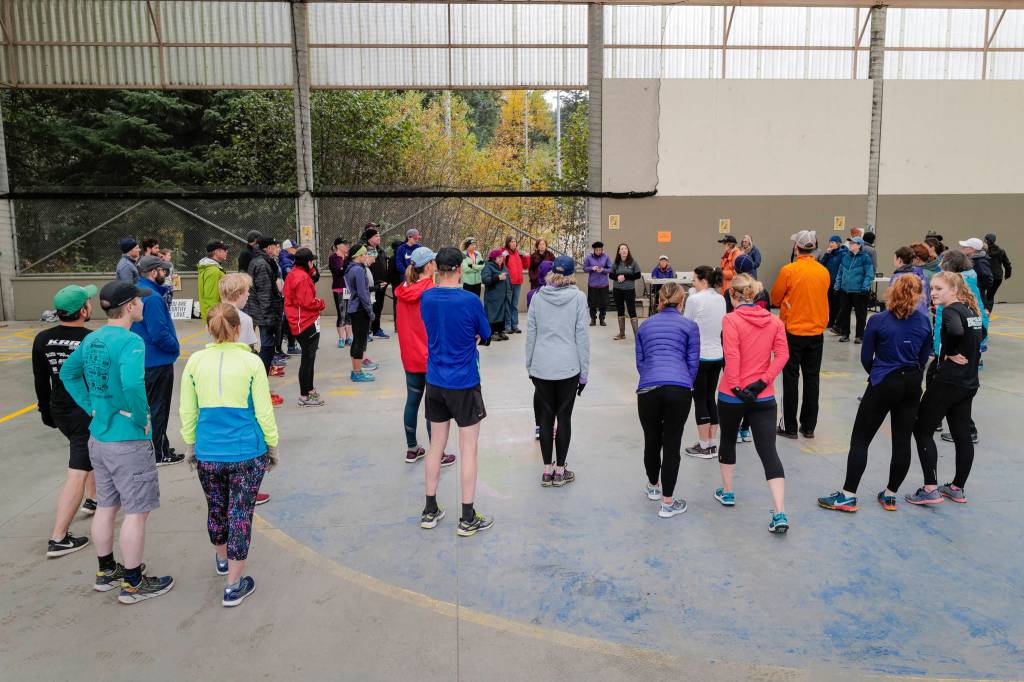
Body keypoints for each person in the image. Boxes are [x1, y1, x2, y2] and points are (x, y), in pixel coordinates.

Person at [60, 280, 174, 604]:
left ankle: (106, 571)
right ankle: (134, 582)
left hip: (100, 437)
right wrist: (141, 419)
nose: (142, 305)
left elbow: (69, 373)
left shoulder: (93, 338)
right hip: (127, 441)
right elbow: (134, 385)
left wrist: (92, 406)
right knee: (137, 512)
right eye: (139, 301)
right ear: (128, 307)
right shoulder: (131, 342)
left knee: (107, 506)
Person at [179, 303, 278, 607]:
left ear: (209, 329)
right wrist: (272, 444)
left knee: (216, 507)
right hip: (246, 451)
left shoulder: (195, 362)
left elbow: (188, 409)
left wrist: (190, 443)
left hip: (209, 451)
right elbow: (263, 410)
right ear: (238, 329)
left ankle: (222, 559)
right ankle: (234, 584)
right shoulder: (251, 362)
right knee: (240, 513)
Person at [817, 276, 932, 513]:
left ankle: (848, 496)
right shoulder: (923, 321)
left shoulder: (879, 320)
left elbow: (865, 357)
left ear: (892, 292)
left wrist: (879, 374)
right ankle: (890, 495)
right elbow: (923, 358)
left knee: (861, 438)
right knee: (902, 440)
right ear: (919, 295)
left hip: (884, 380)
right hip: (911, 382)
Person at [418, 247, 493, 536]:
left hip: (435, 381)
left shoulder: (427, 297)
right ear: (460, 269)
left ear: (437, 268)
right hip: (463, 382)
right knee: (468, 449)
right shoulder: (470, 300)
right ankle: (467, 516)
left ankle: (429, 509)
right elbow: (485, 334)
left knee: (436, 445)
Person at [714, 274, 790, 534]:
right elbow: (782, 355)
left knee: (727, 439)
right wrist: (762, 382)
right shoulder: (775, 321)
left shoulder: (731, 320)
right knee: (768, 451)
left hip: (732, 395)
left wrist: (736, 386)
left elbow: (732, 354)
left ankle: (728, 491)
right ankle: (779, 511)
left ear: (733, 296)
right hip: (764, 396)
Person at [905, 272, 985, 506]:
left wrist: (949, 351)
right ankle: (957, 487)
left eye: (939, 288)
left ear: (954, 290)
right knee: (962, 434)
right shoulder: (971, 311)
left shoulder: (950, 311)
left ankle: (930, 488)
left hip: (948, 382)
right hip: (968, 382)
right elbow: (982, 335)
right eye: (932, 288)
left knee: (922, 430)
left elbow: (956, 332)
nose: (934, 293)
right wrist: (969, 352)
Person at [33, 284, 99, 558]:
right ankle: (58, 537)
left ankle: (94, 499)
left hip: (59, 408)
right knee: (78, 468)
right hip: (83, 410)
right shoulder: (91, 339)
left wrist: (46, 412)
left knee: (87, 452)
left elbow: (41, 379)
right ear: (83, 310)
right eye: (88, 301)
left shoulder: (42, 339)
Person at [635, 283, 699, 519]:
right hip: (679, 388)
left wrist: (651, 377)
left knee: (651, 440)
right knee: (672, 444)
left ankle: (653, 486)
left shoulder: (645, 326)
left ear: (659, 300)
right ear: (682, 302)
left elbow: (640, 362)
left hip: (648, 388)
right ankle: (668, 503)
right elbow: (693, 363)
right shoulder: (690, 326)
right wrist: (684, 382)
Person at [526, 255, 590, 488]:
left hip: (542, 366)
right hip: (568, 366)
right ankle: (561, 470)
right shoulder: (578, 298)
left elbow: (531, 333)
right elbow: (581, 336)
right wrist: (584, 373)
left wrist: (530, 365)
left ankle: (546, 471)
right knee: (564, 417)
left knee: (545, 417)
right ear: (572, 275)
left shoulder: (538, 297)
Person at [396, 247, 457, 468]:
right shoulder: (432, 290)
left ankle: (412, 448)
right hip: (431, 355)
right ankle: (437, 453)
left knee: (412, 400)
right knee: (434, 407)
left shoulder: (403, 289)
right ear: (429, 265)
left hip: (410, 354)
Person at [771, 230, 830, 439]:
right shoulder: (823, 271)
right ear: (814, 248)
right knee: (812, 379)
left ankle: (790, 427)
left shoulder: (789, 270)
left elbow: (776, 298)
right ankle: (809, 426)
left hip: (793, 331)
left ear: (797, 248)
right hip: (816, 332)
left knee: (790, 378)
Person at [131, 254, 183, 466]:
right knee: (159, 407)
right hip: (156, 360)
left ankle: (159, 446)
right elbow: (158, 332)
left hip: (143, 359)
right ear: (154, 272)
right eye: (163, 271)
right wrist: (174, 347)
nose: (165, 274)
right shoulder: (151, 297)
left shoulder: (137, 292)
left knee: (151, 407)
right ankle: (159, 453)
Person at [935, 250, 988, 445]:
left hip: (955, 349)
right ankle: (941, 422)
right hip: (964, 346)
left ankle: (963, 429)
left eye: (942, 262)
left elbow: (955, 327)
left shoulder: (955, 288)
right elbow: (980, 321)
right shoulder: (967, 284)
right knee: (958, 388)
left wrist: (950, 351)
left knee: (949, 386)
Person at [682, 266, 727, 459]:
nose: (692, 283)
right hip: (717, 355)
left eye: (694, 280)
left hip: (699, 356)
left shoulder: (694, 299)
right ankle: (711, 443)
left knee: (699, 399)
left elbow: (686, 325)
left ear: (702, 280)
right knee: (710, 397)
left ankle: (704, 445)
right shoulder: (721, 298)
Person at [283, 248, 326, 407]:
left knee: (309, 358)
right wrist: (321, 303)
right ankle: (304, 395)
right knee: (308, 360)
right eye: (312, 261)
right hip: (305, 322)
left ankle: (309, 389)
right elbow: (307, 302)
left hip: (301, 321)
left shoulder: (294, 273)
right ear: (308, 262)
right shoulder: (301, 277)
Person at [245, 237, 285, 385]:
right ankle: (260, 385)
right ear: (268, 248)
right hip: (264, 313)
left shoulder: (263, 261)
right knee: (267, 348)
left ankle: (261, 384)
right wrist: (269, 318)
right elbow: (264, 292)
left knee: (268, 347)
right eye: (275, 246)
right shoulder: (262, 264)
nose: (278, 249)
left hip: (264, 311)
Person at [345, 243, 379, 382]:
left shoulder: (351, 268)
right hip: (360, 309)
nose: (367, 256)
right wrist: (369, 311)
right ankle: (357, 372)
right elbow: (363, 293)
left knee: (357, 341)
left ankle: (356, 368)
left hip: (355, 308)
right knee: (360, 341)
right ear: (358, 256)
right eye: (365, 254)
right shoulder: (358, 270)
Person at [835, 236, 875, 343]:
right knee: (844, 313)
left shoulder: (865, 258)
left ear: (859, 245)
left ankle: (859, 336)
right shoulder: (845, 257)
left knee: (860, 315)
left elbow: (869, 274)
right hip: (845, 291)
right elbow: (840, 272)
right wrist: (837, 286)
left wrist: (865, 287)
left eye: (853, 243)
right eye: (850, 243)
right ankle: (845, 334)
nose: (850, 245)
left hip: (859, 291)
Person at [362, 224, 391, 339]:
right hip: (370, 285)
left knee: (378, 307)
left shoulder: (380, 250)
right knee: (369, 308)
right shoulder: (364, 249)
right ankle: (367, 331)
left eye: (379, 234)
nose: (379, 237)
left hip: (381, 284)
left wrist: (387, 280)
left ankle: (376, 329)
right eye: (376, 235)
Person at [610, 243, 642, 340]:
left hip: (629, 290)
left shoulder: (633, 262)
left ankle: (637, 336)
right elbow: (611, 275)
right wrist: (617, 277)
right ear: (619, 252)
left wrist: (625, 276)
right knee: (620, 310)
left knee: (632, 311)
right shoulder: (616, 263)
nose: (624, 250)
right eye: (622, 249)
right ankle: (622, 334)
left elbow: (638, 275)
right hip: (617, 290)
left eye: (625, 249)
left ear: (628, 251)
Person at [889, 246, 930, 318]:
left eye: (894, 258)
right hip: (922, 315)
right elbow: (927, 299)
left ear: (899, 260)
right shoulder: (923, 276)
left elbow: (891, 299)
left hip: (902, 315)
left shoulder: (896, 278)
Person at [482, 249, 512, 341]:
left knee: (501, 313)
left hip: (502, 296)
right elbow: (485, 279)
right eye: (498, 258)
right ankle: (492, 333)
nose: (500, 259)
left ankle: (500, 331)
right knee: (493, 314)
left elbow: (508, 278)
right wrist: (497, 277)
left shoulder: (503, 266)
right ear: (493, 259)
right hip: (492, 296)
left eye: (501, 257)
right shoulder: (488, 267)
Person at [819, 235, 847, 332]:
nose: (830, 244)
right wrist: (827, 254)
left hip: (837, 283)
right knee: (829, 304)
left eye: (833, 242)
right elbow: (821, 265)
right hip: (828, 282)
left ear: (838, 244)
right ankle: (830, 321)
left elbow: (842, 269)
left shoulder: (843, 254)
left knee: (837, 304)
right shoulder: (829, 254)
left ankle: (836, 323)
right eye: (830, 242)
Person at [959, 237, 994, 312]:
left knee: (978, 317)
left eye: (965, 247)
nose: (962, 248)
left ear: (973, 249)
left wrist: (976, 287)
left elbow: (989, 280)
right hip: (972, 296)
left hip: (977, 297)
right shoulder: (971, 260)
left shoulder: (980, 262)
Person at [329, 238, 352, 348]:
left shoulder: (348, 257)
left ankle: (349, 337)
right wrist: (345, 266)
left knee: (348, 313)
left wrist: (345, 266)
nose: (347, 246)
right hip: (339, 288)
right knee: (341, 313)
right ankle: (341, 338)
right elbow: (338, 272)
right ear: (338, 246)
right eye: (345, 244)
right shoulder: (333, 258)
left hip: (348, 288)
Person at [198, 240, 229, 320]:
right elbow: (211, 297)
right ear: (216, 252)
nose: (227, 252)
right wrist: (215, 317)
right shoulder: (213, 271)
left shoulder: (210, 268)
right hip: (215, 316)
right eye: (224, 250)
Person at [583, 241, 612, 326]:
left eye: (600, 250)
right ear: (594, 250)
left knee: (603, 302)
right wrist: (592, 268)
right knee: (592, 303)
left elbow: (610, 269)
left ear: (602, 249)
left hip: (603, 284)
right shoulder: (589, 257)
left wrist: (603, 270)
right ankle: (593, 319)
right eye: (597, 250)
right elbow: (584, 269)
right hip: (593, 284)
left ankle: (602, 318)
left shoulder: (606, 257)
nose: (599, 251)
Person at [504, 236, 529, 334]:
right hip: (509, 282)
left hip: (518, 282)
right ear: (508, 243)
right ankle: (507, 326)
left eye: (515, 241)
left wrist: (526, 256)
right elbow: (501, 265)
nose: (514, 243)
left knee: (514, 304)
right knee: (508, 304)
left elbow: (526, 266)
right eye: (511, 242)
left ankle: (515, 325)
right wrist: (504, 256)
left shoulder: (518, 254)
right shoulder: (505, 253)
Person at [983, 233, 1012, 311]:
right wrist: (1007, 274)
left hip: (986, 275)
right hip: (997, 277)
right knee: (990, 295)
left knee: (983, 294)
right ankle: (987, 312)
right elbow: (1007, 264)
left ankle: (984, 312)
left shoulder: (984, 251)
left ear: (985, 240)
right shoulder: (1001, 251)